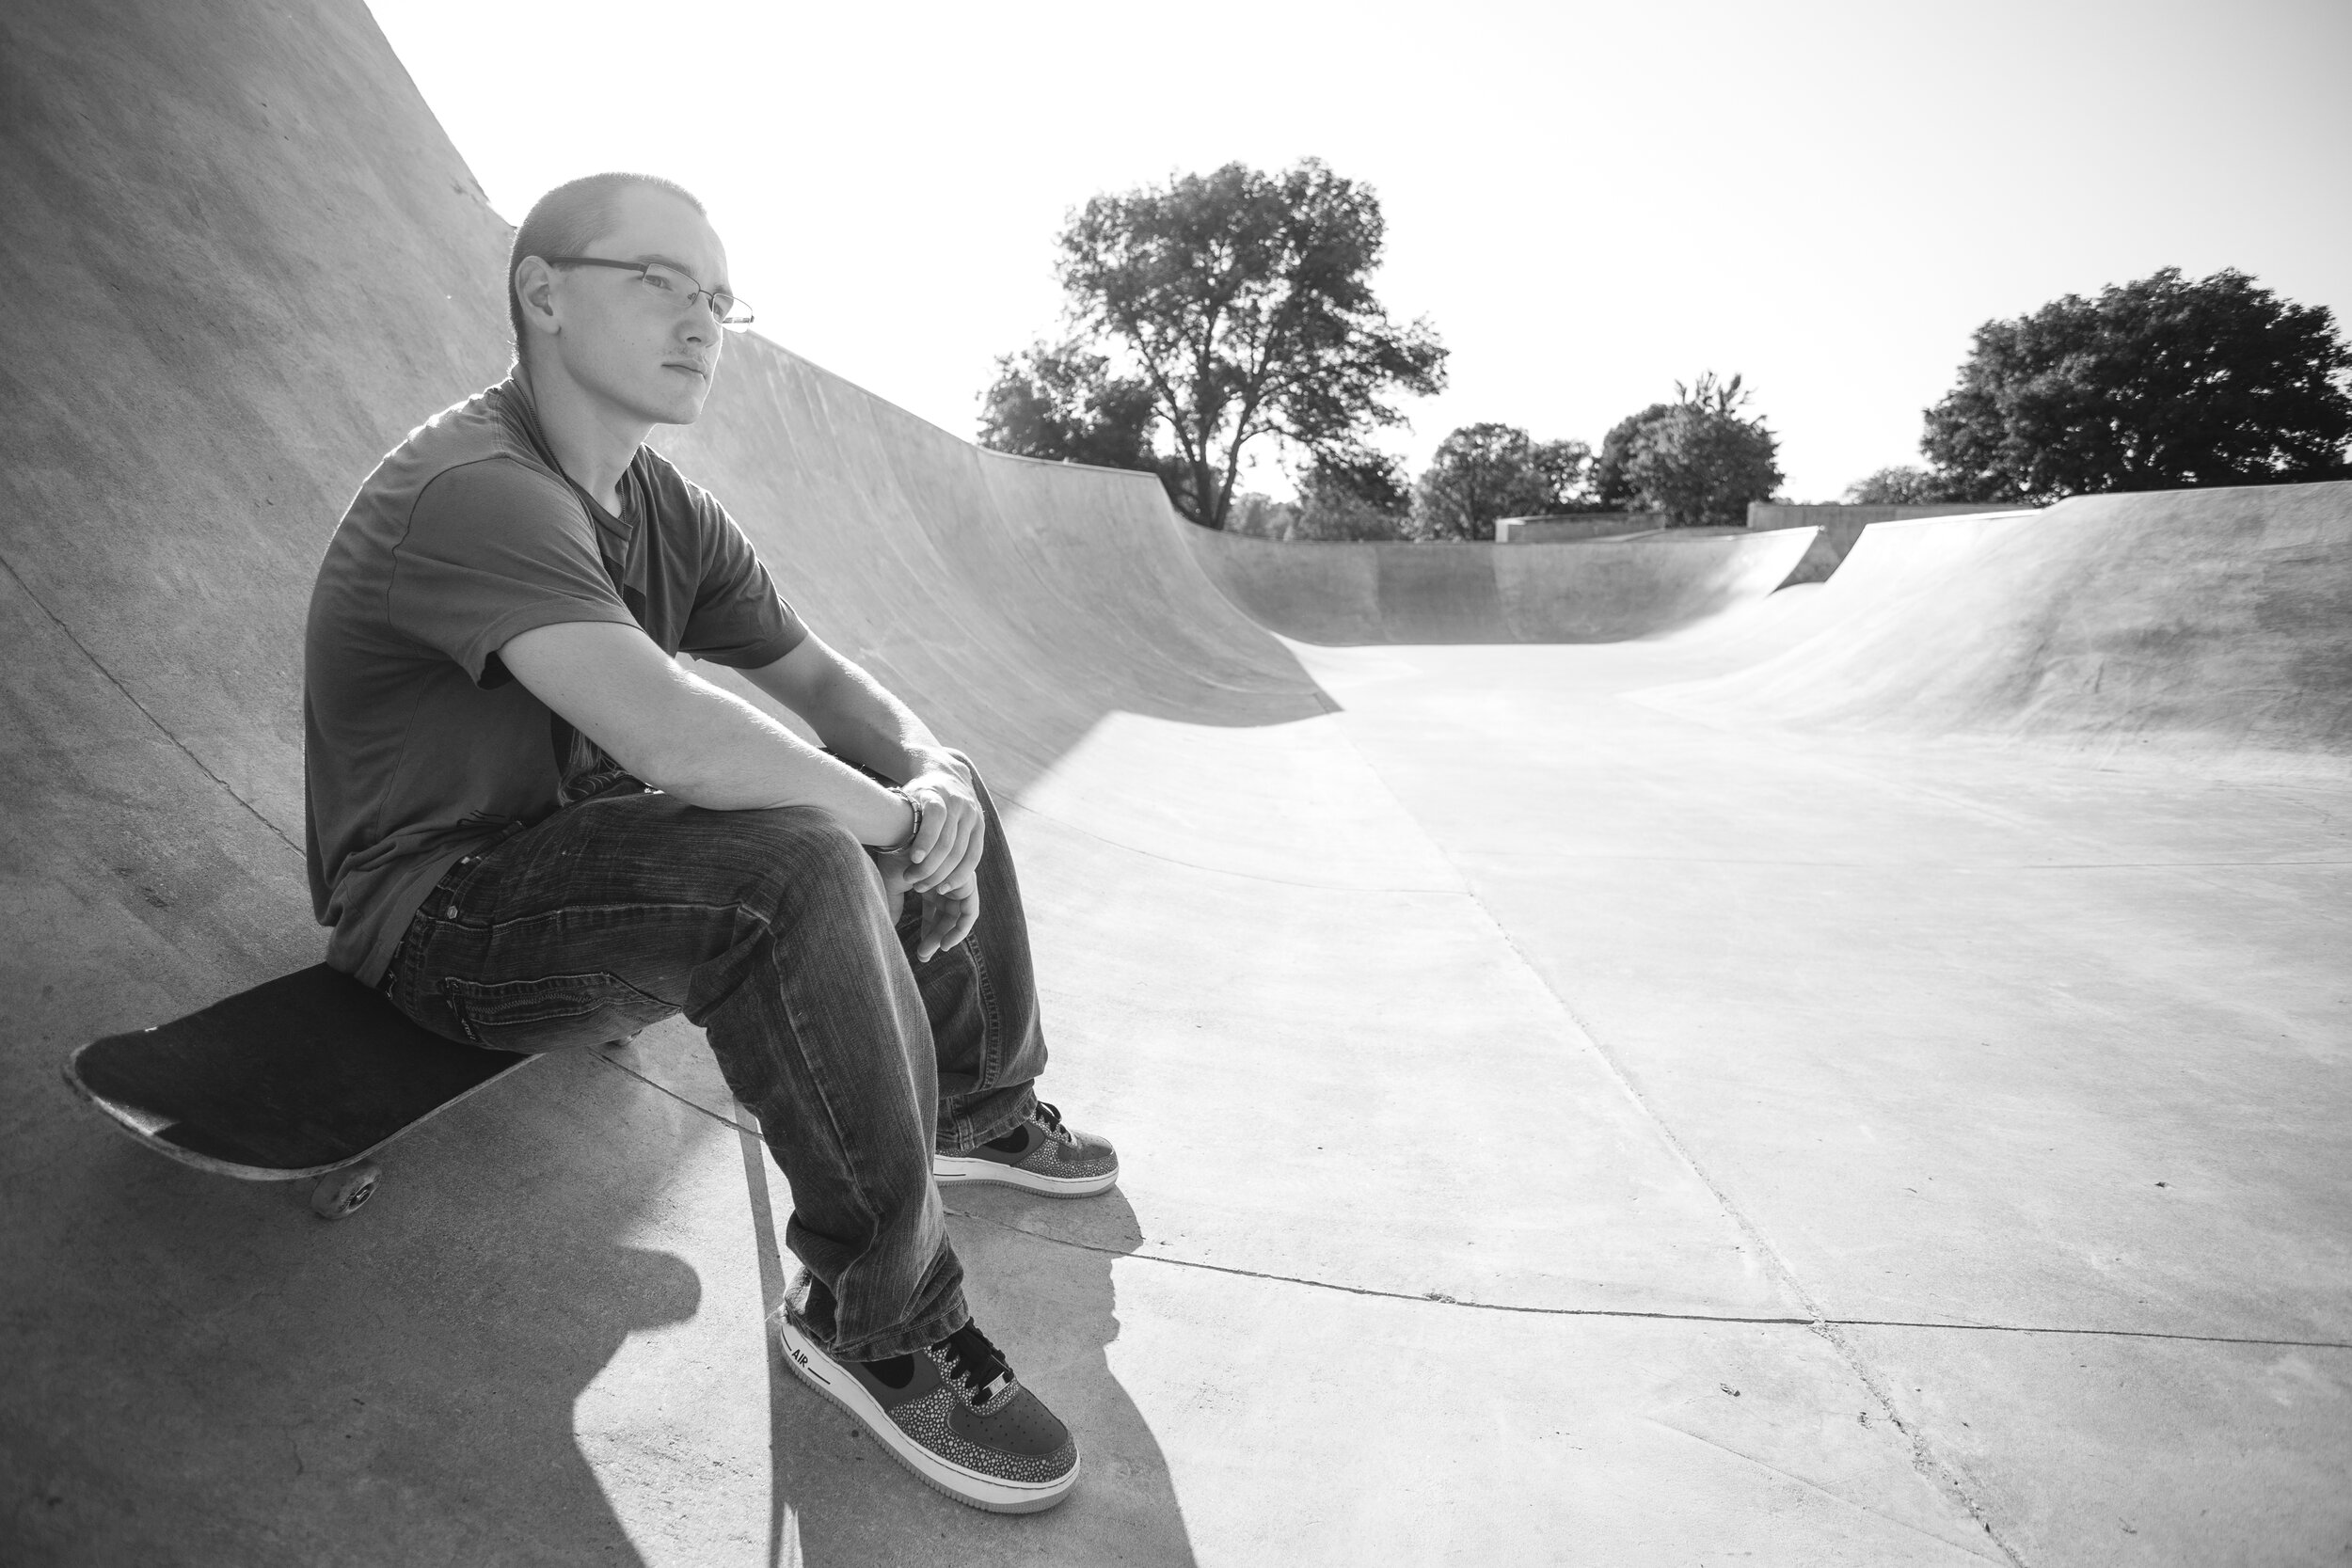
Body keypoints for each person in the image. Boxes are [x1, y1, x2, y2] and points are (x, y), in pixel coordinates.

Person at [302, 171, 1111, 1514]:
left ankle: (975, 1100)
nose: (702, 323)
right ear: (543, 293)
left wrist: (921, 780)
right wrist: (886, 823)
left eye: (720, 299)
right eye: (659, 284)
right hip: (439, 921)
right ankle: (875, 1321)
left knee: (924, 774)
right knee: (796, 859)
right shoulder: (474, 489)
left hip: (590, 865)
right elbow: (676, 735)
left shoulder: (664, 504)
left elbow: (827, 687)